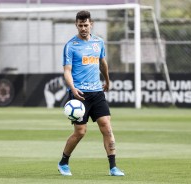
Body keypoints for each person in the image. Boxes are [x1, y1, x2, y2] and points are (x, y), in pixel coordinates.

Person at [57, 10, 124, 176]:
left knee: (107, 128)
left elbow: (102, 62)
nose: (83, 28)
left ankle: (113, 167)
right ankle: (63, 162)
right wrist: (72, 88)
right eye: (80, 25)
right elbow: (67, 70)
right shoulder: (71, 46)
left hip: (97, 92)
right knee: (80, 132)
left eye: (86, 25)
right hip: (79, 94)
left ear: (91, 24)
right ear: (76, 25)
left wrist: (107, 81)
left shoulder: (98, 42)